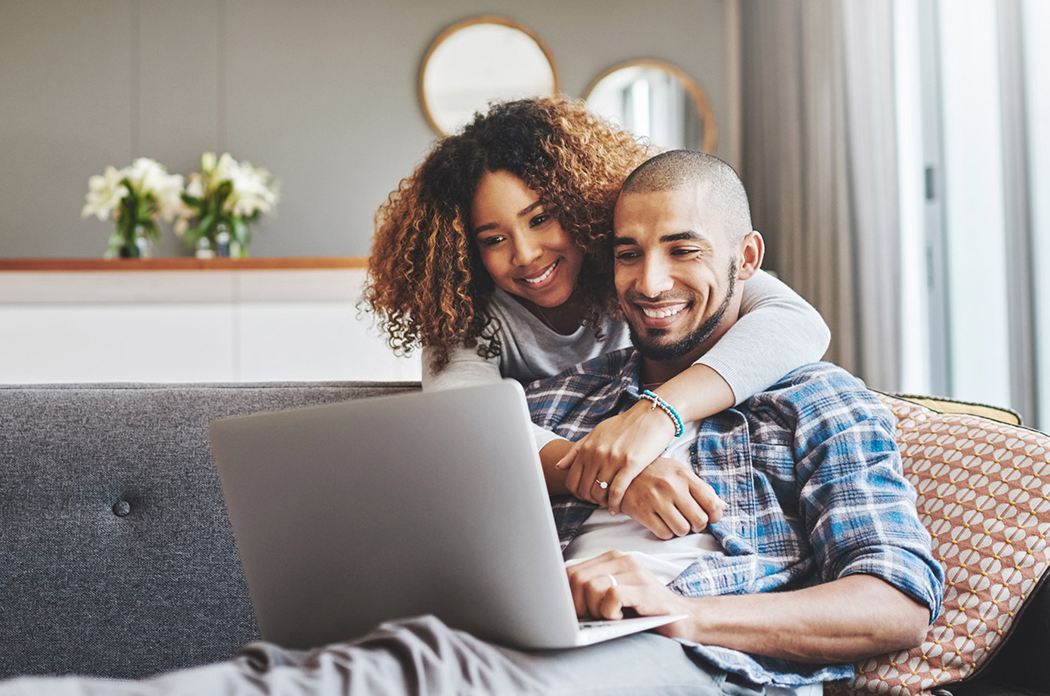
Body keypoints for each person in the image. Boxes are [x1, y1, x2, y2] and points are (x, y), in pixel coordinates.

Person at [0, 151, 942, 696]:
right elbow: (463, 472)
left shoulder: (817, 398)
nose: (649, 283)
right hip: (509, 636)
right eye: (627, 254)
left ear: (747, 257)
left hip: (682, 656)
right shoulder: (562, 399)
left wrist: (682, 611)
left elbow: (896, 601)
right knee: (341, 665)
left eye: (681, 250)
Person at [365, 97, 831, 535]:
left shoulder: (637, 268)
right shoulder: (464, 313)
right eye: (493, 239)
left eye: (541, 218)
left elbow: (798, 322)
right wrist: (613, 476)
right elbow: (464, 426)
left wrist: (659, 412)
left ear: (581, 205)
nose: (525, 254)